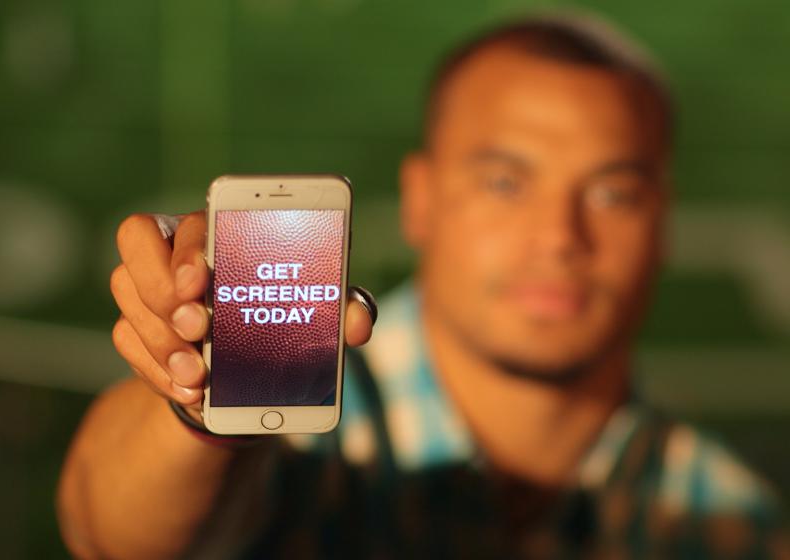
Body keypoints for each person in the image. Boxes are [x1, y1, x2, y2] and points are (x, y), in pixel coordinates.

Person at [57, 12, 789, 559]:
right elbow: (111, 532)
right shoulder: (305, 433)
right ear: (421, 200)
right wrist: (194, 410)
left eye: (613, 195)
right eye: (505, 182)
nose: (560, 237)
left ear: (662, 223)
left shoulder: (735, 524)